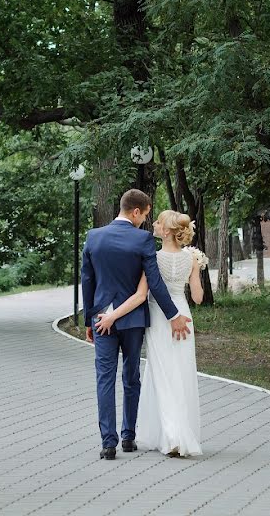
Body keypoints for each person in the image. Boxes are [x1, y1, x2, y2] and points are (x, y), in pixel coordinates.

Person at [81, 190, 192, 460]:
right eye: (145, 215)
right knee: (131, 376)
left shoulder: (94, 237)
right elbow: (154, 281)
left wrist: (88, 320)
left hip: (102, 319)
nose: (145, 222)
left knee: (104, 379)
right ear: (136, 212)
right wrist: (173, 314)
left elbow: (87, 280)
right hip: (132, 320)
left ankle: (109, 443)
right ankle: (128, 436)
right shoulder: (142, 239)